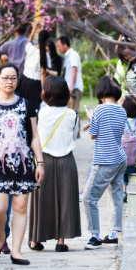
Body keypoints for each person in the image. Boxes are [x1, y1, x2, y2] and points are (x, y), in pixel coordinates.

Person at [0, 63, 44, 266]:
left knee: (21, 206)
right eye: (5, 78)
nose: (9, 81)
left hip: (23, 165)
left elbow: (34, 137)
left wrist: (40, 162)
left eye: (13, 78)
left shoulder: (27, 105)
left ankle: (16, 252)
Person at [28, 76, 81, 252]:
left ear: (47, 93)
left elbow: (35, 138)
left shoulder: (40, 113)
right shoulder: (72, 114)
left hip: (44, 160)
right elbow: (74, 137)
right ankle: (61, 241)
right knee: (66, 200)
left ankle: (35, 241)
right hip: (67, 161)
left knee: (41, 200)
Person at [82, 77, 127, 249]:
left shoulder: (99, 110)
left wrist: (91, 117)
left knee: (88, 198)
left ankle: (95, 236)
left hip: (105, 160)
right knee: (115, 196)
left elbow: (94, 136)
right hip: (120, 158)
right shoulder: (122, 110)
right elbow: (110, 130)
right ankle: (114, 234)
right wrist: (92, 122)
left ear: (101, 93)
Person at [57, 37, 83, 115]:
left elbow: (74, 70)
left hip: (74, 88)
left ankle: (76, 128)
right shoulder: (67, 56)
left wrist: (71, 87)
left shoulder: (72, 54)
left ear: (65, 45)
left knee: (73, 112)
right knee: (70, 111)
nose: (58, 48)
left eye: (59, 46)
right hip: (70, 88)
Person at [19, 34, 43, 110]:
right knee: (34, 107)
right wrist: (43, 88)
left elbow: (29, 41)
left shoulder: (30, 49)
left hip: (25, 80)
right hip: (36, 83)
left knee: (24, 105)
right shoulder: (44, 55)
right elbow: (43, 73)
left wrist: (33, 29)